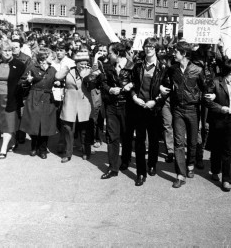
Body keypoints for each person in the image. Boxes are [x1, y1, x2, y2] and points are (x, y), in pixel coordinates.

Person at [161, 41, 206, 188]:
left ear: (184, 54)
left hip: (193, 110)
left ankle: (191, 164)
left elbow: (207, 87)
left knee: (192, 142)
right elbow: (166, 83)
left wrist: (209, 96)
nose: (174, 53)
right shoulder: (172, 69)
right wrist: (162, 87)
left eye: (176, 51)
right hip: (178, 110)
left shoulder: (198, 70)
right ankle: (180, 175)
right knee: (179, 143)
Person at [130, 38, 168, 186]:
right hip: (139, 106)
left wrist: (156, 101)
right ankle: (140, 173)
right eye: (146, 46)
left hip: (154, 108)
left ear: (156, 48)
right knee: (139, 141)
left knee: (153, 139)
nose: (148, 49)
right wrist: (134, 97)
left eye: (151, 46)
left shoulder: (163, 67)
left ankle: (152, 163)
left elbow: (167, 89)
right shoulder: (138, 65)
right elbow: (132, 83)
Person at [97, 42, 135, 179]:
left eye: (110, 53)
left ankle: (125, 161)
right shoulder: (108, 67)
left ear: (117, 54)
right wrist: (109, 89)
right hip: (112, 106)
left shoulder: (132, 66)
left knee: (126, 136)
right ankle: (113, 168)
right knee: (112, 137)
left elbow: (139, 81)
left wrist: (131, 85)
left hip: (127, 106)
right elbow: (103, 83)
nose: (108, 55)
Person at [0, 40, 26, 159]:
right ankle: (13, 142)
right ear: (0, 51)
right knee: (2, 122)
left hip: (11, 98)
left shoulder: (19, 64)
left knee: (9, 121)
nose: (8, 53)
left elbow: (22, 81)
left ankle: (3, 148)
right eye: (5, 50)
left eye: (10, 50)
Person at [205, 59, 231, 192]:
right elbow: (206, 100)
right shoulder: (215, 82)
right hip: (218, 119)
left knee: (228, 150)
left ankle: (226, 179)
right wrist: (220, 108)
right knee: (216, 147)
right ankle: (215, 169)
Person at [56, 50, 95, 163]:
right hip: (70, 101)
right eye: (81, 63)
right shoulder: (69, 70)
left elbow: (92, 85)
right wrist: (66, 68)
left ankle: (85, 151)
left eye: (85, 63)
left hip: (84, 101)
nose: (83, 65)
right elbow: (58, 77)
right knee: (68, 128)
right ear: (76, 63)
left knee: (84, 129)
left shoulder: (89, 71)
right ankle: (68, 153)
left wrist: (86, 75)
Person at [19, 48, 58, 159]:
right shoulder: (32, 68)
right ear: (44, 57)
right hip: (34, 97)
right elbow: (21, 82)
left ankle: (43, 149)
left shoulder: (53, 70)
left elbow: (57, 82)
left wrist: (58, 82)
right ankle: (33, 147)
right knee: (34, 123)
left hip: (47, 98)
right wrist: (28, 81)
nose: (53, 58)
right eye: (51, 56)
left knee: (45, 124)